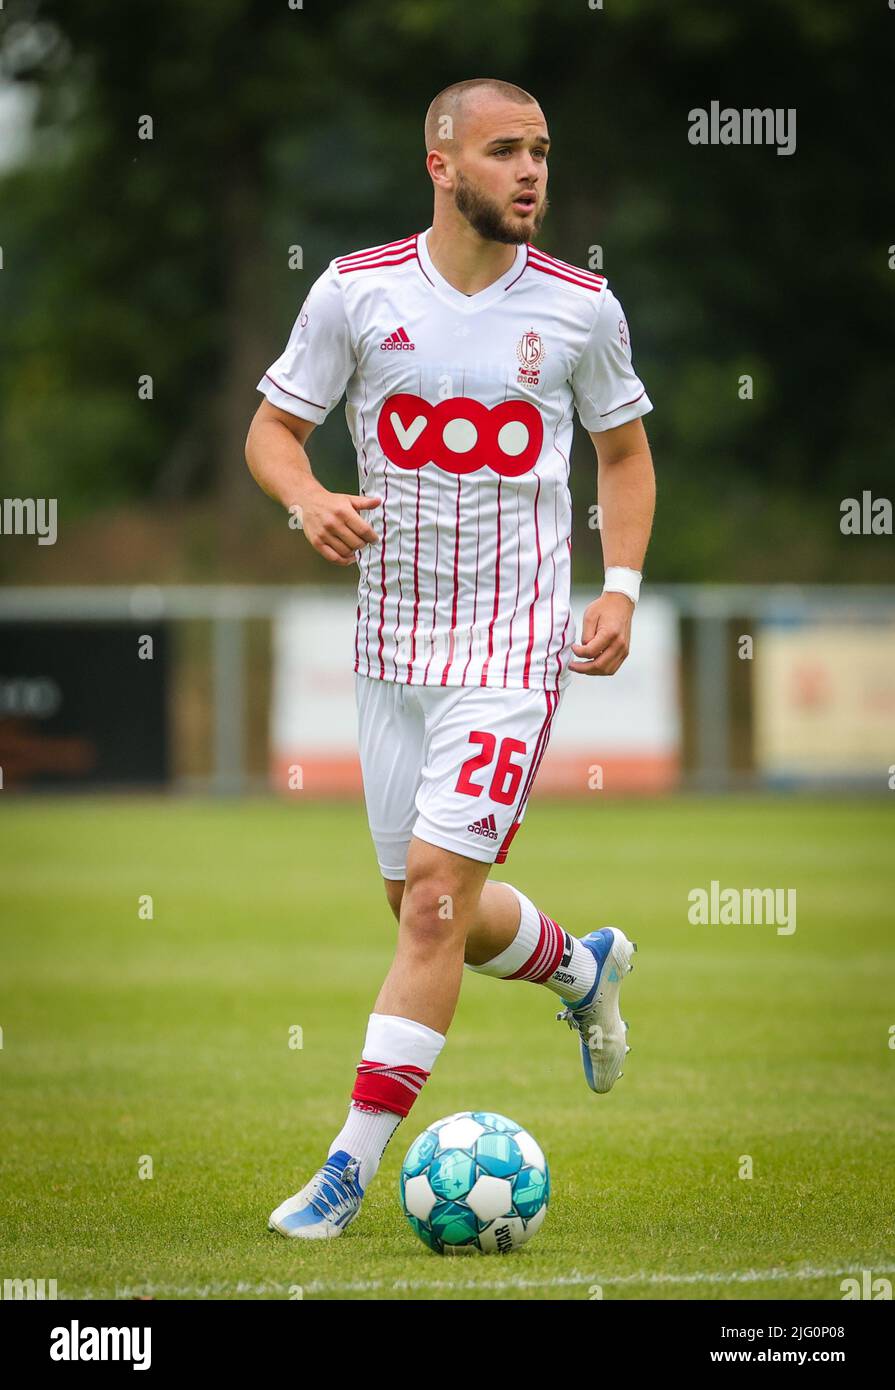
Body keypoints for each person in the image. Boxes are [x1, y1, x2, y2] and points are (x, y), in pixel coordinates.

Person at [245, 77, 656, 1239]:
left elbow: (623, 457)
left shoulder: (581, 309)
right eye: (504, 151)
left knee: (432, 904)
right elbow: (273, 429)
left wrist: (617, 587)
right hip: (391, 651)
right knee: (415, 902)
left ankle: (345, 1170)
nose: (531, 172)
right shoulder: (356, 292)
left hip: (512, 652)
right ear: (441, 166)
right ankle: (582, 969)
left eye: (540, 152)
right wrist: (308, 496)